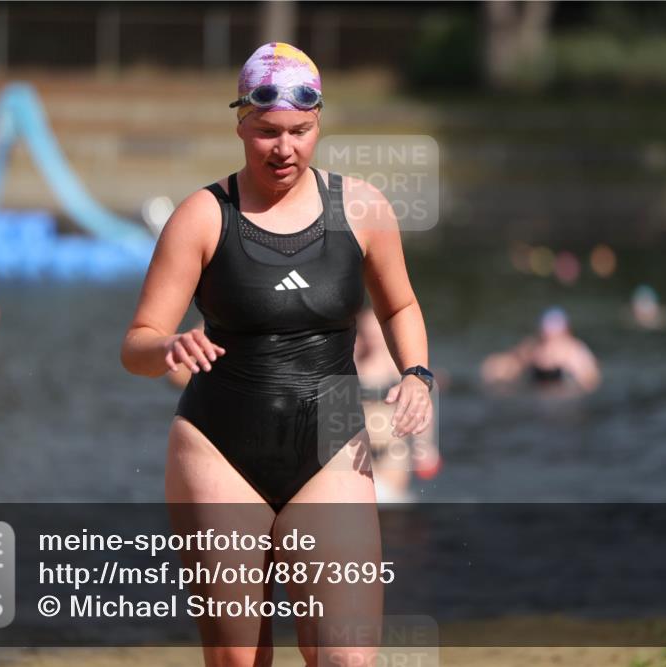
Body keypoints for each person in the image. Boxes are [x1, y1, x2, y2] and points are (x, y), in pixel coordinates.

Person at [120, 43, 433, 667]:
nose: (283, 147)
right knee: (241, 661)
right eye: (266, 132)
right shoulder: (204, 216)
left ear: (318, 124)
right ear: (241, 123)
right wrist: (169, 343)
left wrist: (417, 374)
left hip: (333, 441)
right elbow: (137, 344)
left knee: (347, 658)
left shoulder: (362, 208)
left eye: (299, 131)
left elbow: (400, 307)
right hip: (218, 446)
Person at [354, 308, 441, 503]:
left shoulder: (398, 366)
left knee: (391, 502)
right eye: (368, 333)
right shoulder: (353, 363)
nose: (373, 338)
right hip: (358, 446)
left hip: (392, 446)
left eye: (377, 333)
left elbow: (422, 401)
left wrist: (425, 445)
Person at [480, 307, 600, 395]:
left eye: (556, 337)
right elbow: (494, 369)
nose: (552, 343)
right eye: (548, 337)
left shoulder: (575, 351)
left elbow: (591, 380)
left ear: (567, 333)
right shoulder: (533, 348)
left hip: (565, 397)